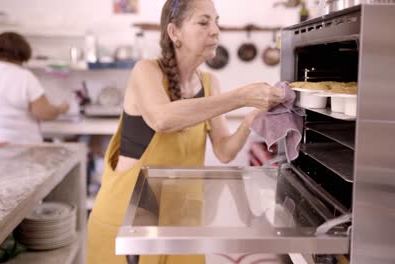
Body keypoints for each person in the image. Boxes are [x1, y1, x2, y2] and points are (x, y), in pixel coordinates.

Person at [86, 0, 287, 263]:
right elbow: (162, 119)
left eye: (217, 22)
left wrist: (251, 117)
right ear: (174, 32)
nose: (215, 30)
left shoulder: (209, 82)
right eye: (204, 22)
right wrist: (241, 97)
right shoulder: (146, 71)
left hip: (181, 220)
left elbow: (224, 151)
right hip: (128, 218)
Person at [0, 32, 69, 144]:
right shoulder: (25, 77)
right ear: (23, 54)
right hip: (18, 146)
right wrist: (60, 109)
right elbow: (43, 112)